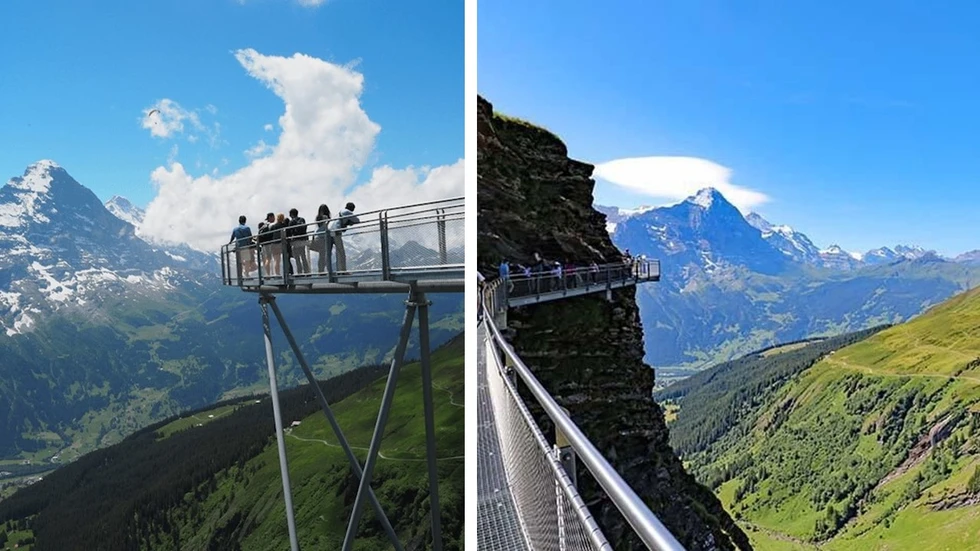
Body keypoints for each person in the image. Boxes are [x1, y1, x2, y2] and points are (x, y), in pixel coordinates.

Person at [328, 202, 360, 273]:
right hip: (336, 231)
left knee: (328, 253)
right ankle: (342, 271)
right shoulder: (347, 212)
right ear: (352, 208)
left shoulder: (340, 212)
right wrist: (350, 222)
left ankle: (328, 272)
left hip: (329, 231)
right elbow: (357, 220)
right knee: (341, 252)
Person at [287, 208, 310, 275]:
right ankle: (307, 271)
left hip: (296, 241)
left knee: (297, 257)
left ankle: (300, 272)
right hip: (303, 240)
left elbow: (289, 232)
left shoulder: (291, 222)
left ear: (291, 214)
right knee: (303, 256)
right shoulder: (302, 219)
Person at [313, 204, 332, 275]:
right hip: (324, 237)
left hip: (318, 237)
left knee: (321, 255)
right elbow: (328, 226)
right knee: (326, 255)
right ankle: (327, 271)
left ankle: (320, 271)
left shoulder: (318, 217)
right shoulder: (326, 217)